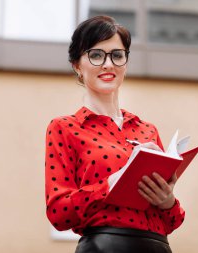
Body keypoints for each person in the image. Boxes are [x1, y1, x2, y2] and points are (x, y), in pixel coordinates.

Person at [45, 15, 185, 253]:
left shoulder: (147, 131)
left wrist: (167, 202)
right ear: (77, 65)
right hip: (104, 247)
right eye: (96, 55)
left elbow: (172, 222)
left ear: (125, 64)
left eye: (117, 55)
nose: (108, 64)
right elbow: (59, 212)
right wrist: (112, 182)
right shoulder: (65, 128)